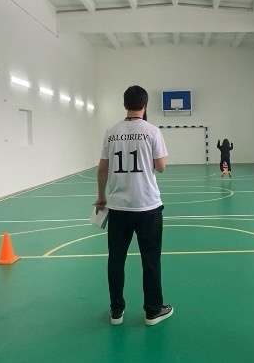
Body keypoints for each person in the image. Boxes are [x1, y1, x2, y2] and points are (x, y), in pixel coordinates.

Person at [95, 85, 173, 326]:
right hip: (148, 206)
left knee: (116, 259)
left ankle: (116, 311)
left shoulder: (111, 132)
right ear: (145, 105)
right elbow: (161, 167)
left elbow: (102, 168)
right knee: (150, 260)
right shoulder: (152, 131)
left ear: (124, 104)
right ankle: (153, 311)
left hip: (119, 207)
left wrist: (101, 195)